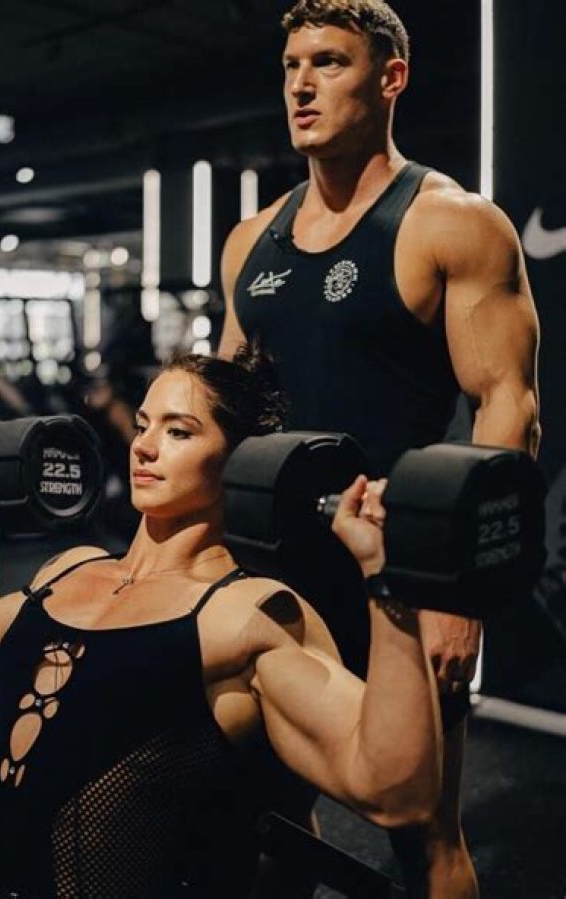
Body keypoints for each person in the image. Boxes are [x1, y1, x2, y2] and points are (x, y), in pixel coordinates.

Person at [0, 345, 443, 899]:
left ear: (239, 461)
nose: (144, 447)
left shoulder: (246, 616)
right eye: (142, 426)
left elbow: (394, 793)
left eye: (178, 431)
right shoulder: (72, 569)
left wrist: (385, 578)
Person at [217, 2, 541, 897]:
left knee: (422, 828)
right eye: (291, 66)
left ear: (390, 77)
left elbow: (508, 409)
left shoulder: (450, 223)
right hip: (270, 570)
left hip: (394, 576)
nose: (302, 85)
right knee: (265, 812)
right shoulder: (250, 242)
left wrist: (458, 591)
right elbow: (226, 411)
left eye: (328, 62)